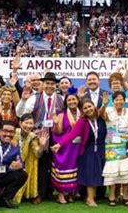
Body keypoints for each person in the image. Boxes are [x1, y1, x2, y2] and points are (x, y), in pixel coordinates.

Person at [15, 71, 65, 202]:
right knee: (40, 166)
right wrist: (23, 100)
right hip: (37, 137)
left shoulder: (61, 99)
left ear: (56, 86)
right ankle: (39, 194)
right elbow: (21, 113)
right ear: (43, 84)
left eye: (52, 84)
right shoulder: (34, 97)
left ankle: (52, 191)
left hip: (56, 137)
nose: (50, 86)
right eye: (47, 83)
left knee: (56, 164)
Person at [51, 98, 107, 207]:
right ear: (82, 110)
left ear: (94, 107)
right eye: (85, 108)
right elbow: (72, 134)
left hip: (101, 150)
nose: (88, 109)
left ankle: (93, 196)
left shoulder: (101, 118)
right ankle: (90, 199)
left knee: (98, 173)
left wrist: (104, 104)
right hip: (89, 151)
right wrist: (59, 144)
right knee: (91, 174)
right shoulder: (82, 121)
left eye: (89, 106)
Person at [100, 90, 128, 206]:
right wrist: (104, 104)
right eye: (116, 99)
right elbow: (101, 115)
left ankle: (126, 196)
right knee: (112, 170)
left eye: (121, 99)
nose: (119, 101)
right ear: (113, 101)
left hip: (126, 144)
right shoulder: (108, 109)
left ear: (124, 100)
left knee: (127, 169)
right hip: (111, 145)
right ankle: (112, 196)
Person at [51, 91, 81, 204]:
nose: (72, 102)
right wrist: (56, 123)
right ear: (66, 102)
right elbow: (58, 132)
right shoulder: (61, 114)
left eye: (74, 99)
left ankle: (71, 193)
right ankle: (60, 194)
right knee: (63, 168)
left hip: (77, 147)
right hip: (64, 146)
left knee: (74, 169)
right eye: (69, 100)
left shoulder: (81, 113)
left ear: (78, 100)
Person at [12, 114, 48, 204]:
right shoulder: (12, 133)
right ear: (20, 123)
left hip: (23, 165)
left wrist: (41, 146)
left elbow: (37, 154)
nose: (28, 126)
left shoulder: (33, 136)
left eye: (31, 123)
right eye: (26, 123)